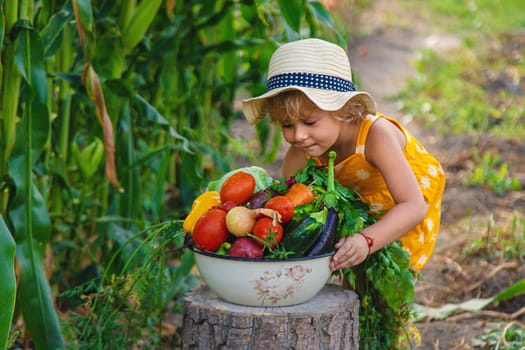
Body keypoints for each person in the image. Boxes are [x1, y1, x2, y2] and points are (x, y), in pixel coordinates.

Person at [242, 38, 445, 273]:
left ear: (343, 110)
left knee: (389, 275)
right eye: (287, 125)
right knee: (352, 269)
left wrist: (366, 240)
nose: (298, 135)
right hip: (358, 206)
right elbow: (290, 207)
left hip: (402, 201)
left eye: (310, 122)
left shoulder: (375, 136)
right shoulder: (300, 152)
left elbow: (413, 206)